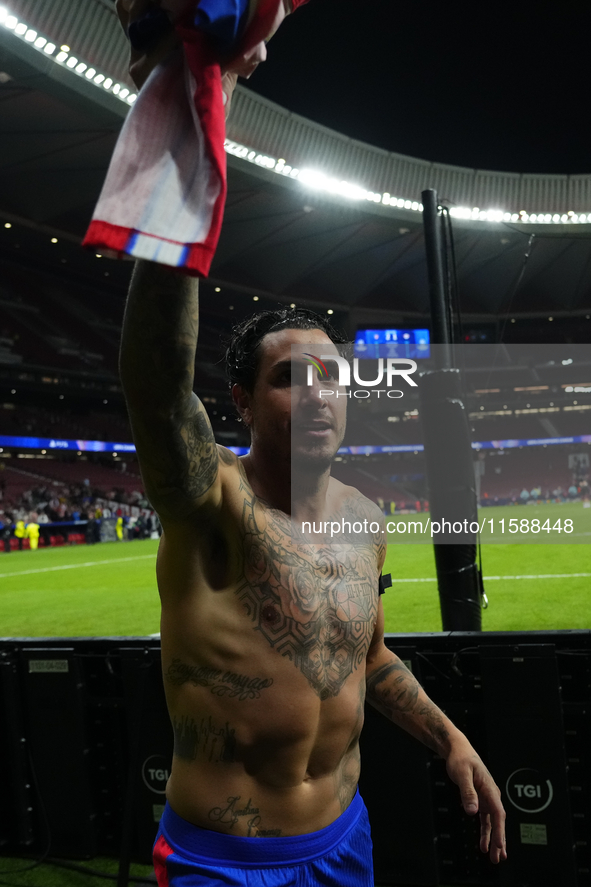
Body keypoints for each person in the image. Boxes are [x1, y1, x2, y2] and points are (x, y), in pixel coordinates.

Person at [120, 263, 506, 886]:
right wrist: (174, 231)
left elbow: (370, 657)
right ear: (242, 401)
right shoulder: (210, 502)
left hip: (344, 841)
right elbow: (157, 391)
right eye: (288, 379)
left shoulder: (365, 520)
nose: (316, 395)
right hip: (221, 863)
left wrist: (451, 738)